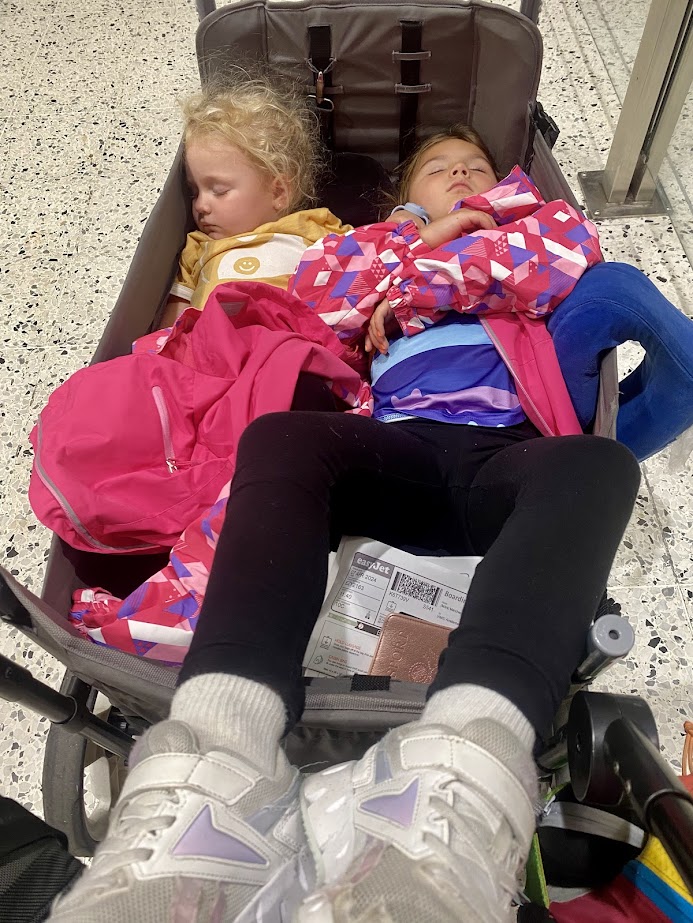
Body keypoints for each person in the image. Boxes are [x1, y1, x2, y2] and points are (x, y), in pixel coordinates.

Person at [47, 127, 641, 923]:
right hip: (391, 447)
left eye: (476, 166)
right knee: (281, 439)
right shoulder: (357, 242)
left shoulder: (543, 217)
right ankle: (219, 758)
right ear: (407, 193)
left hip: (510, 452)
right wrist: (426, 250)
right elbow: (318, 304)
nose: (464, 174)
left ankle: (465, 765)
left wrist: (414, 284)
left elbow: (557, 263)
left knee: (597, 464)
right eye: (440, 169)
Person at [159, 77, 348, 328]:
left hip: (293, 344)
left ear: (278, 192)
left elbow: (367, 257)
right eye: (194, 192)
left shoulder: (313, 227)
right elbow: (174, 322)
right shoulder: (199, 247)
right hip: (215, 350)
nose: (201, 205)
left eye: (219, 190)